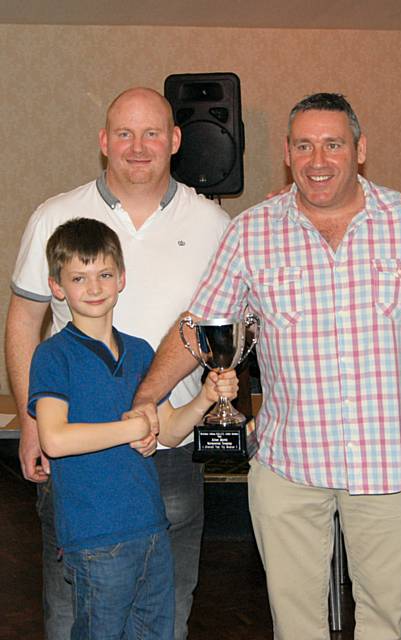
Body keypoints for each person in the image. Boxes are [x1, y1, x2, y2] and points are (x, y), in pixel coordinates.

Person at [132, 93, 401, 640]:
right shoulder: (252, 231)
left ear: (360, 150)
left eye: (333, 144)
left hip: (389, 466)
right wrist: (145, 399)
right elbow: (201, 327)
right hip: (290, 469)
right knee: (296, 628)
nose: (318, 160)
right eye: (304, 146)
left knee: (389, 625)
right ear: (288, 155)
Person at [5, 87, 230, 639]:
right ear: (104, 142)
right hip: (79, 455)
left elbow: (230, 326)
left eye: (152, 133)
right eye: (124, 134)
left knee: (167, 604)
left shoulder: (215, 225)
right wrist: (32, 423)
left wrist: (207, 396)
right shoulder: (56, 215)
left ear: (175, 140)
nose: (138, 147)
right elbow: (22, 321)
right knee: (73, 607)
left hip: (170, 449)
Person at [28, 218, 237, 639]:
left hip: (151, 529)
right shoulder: (54, 356)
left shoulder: (140, 351)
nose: (94, 287)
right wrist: (130, 429)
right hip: (95, 538)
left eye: (104, 274)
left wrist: (205, 398)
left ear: (121, 278)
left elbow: (168, 431)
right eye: (78, 277)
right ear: (57, 287)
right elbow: (54, 438)